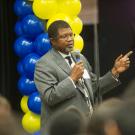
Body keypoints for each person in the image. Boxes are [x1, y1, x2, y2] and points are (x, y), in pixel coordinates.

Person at [34, 20, 132, 135]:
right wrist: (72, 79)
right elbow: (49, 97)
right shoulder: (44, 64)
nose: (70, 39)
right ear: (53, 41)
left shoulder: (79, 58)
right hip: (64, 131)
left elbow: (94, 88)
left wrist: (114, 71)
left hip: (85, 127)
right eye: (64, 36)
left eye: (71, 35)